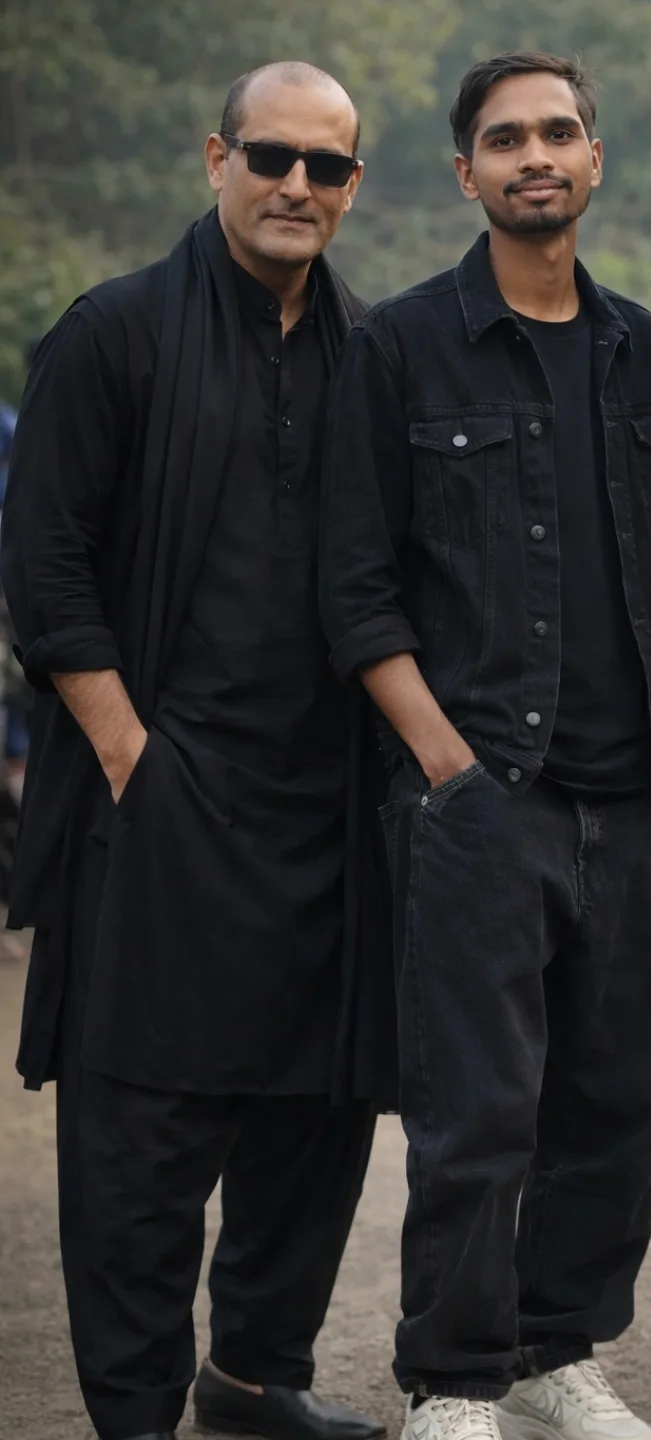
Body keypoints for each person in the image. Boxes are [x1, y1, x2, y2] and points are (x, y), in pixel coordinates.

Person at [1, 62, 394, 1440]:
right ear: (217, 159)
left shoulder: (370, 352)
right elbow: (45, 569)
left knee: (318, 1112)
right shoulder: (114, 334)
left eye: (326, 167)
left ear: (354, 185)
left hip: (326, 807)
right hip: (157, 794)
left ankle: (254, 1376)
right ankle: (134, 1414)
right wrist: (130, 757)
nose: (297, 185)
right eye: (271, 157)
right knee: (142, 1134)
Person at [321, 50, 651, 1440]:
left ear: (595, 157)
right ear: (465, 171)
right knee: (475, 1112)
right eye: (504, 138)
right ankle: (455, 1379)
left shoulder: (645, 348)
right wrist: (449, 769)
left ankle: (553, 1355)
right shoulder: (400, 346)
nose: (535, 155)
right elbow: (353, 588)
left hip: (636, 792)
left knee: (616, 1105)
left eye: (558, 132)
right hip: (483, 793)